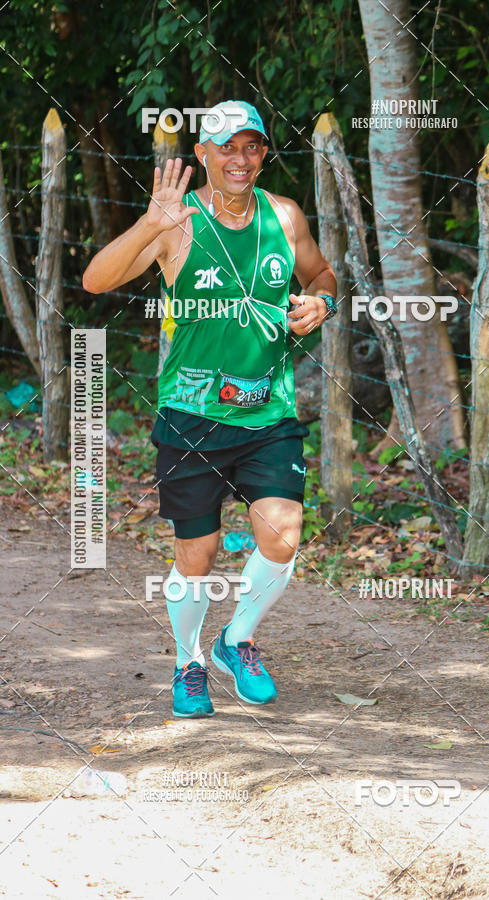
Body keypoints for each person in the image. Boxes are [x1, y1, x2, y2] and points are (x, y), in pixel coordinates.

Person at [82, 100, 337, 717]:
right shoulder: (178, 222)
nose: (239, 159)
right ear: (202, 155)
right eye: (225, 147)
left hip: (267, 411)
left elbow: (321, 274)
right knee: (197, 556)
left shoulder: (284, 215)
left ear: (264, 153)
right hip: (191, 414)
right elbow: (94, 280)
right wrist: (149, 224)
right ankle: (188, 661)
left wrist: (321, 302)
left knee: (283, 532)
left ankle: (237, 640)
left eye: (250, 146)